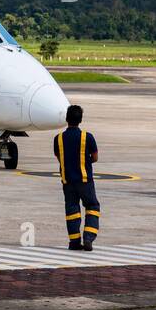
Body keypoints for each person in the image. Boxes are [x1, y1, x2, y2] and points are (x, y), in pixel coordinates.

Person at [52, 104, 101, 251]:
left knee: (72, 210)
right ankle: (88, 237)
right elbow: (95, 157)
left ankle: (74, 241)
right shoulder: (87, 137)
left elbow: (58, 157)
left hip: (67, 181)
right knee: (92, 206)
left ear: (66, 119)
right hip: (85, 180)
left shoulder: (58, 138)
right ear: (81, 120)